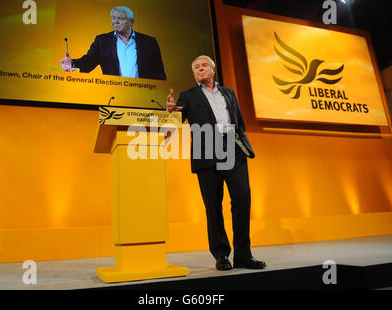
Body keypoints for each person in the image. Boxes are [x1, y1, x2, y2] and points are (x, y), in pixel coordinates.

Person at [166, 55, 266, 270]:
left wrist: (241, 143)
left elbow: (239, 121)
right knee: (213, 207)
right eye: (196, 68)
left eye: (204, 66)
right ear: (194, 74)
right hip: (206, 152)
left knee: (242, 200)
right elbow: (173, 124)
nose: (200, 70)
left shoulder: (229, 93)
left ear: (213, 70)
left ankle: (243, 255)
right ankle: (221, 255)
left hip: (233, 149)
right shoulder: (187, 96)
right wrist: (169, 111)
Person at [60, 6, 166, 80]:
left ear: (131, 22)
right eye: (113, 18)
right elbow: (88, 62)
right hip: (113, 94)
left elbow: (160, 74)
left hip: (143, 96)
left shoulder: (149, 42)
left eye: (120, 18)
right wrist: (72, 63)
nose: (115, 21)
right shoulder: (102, 41)